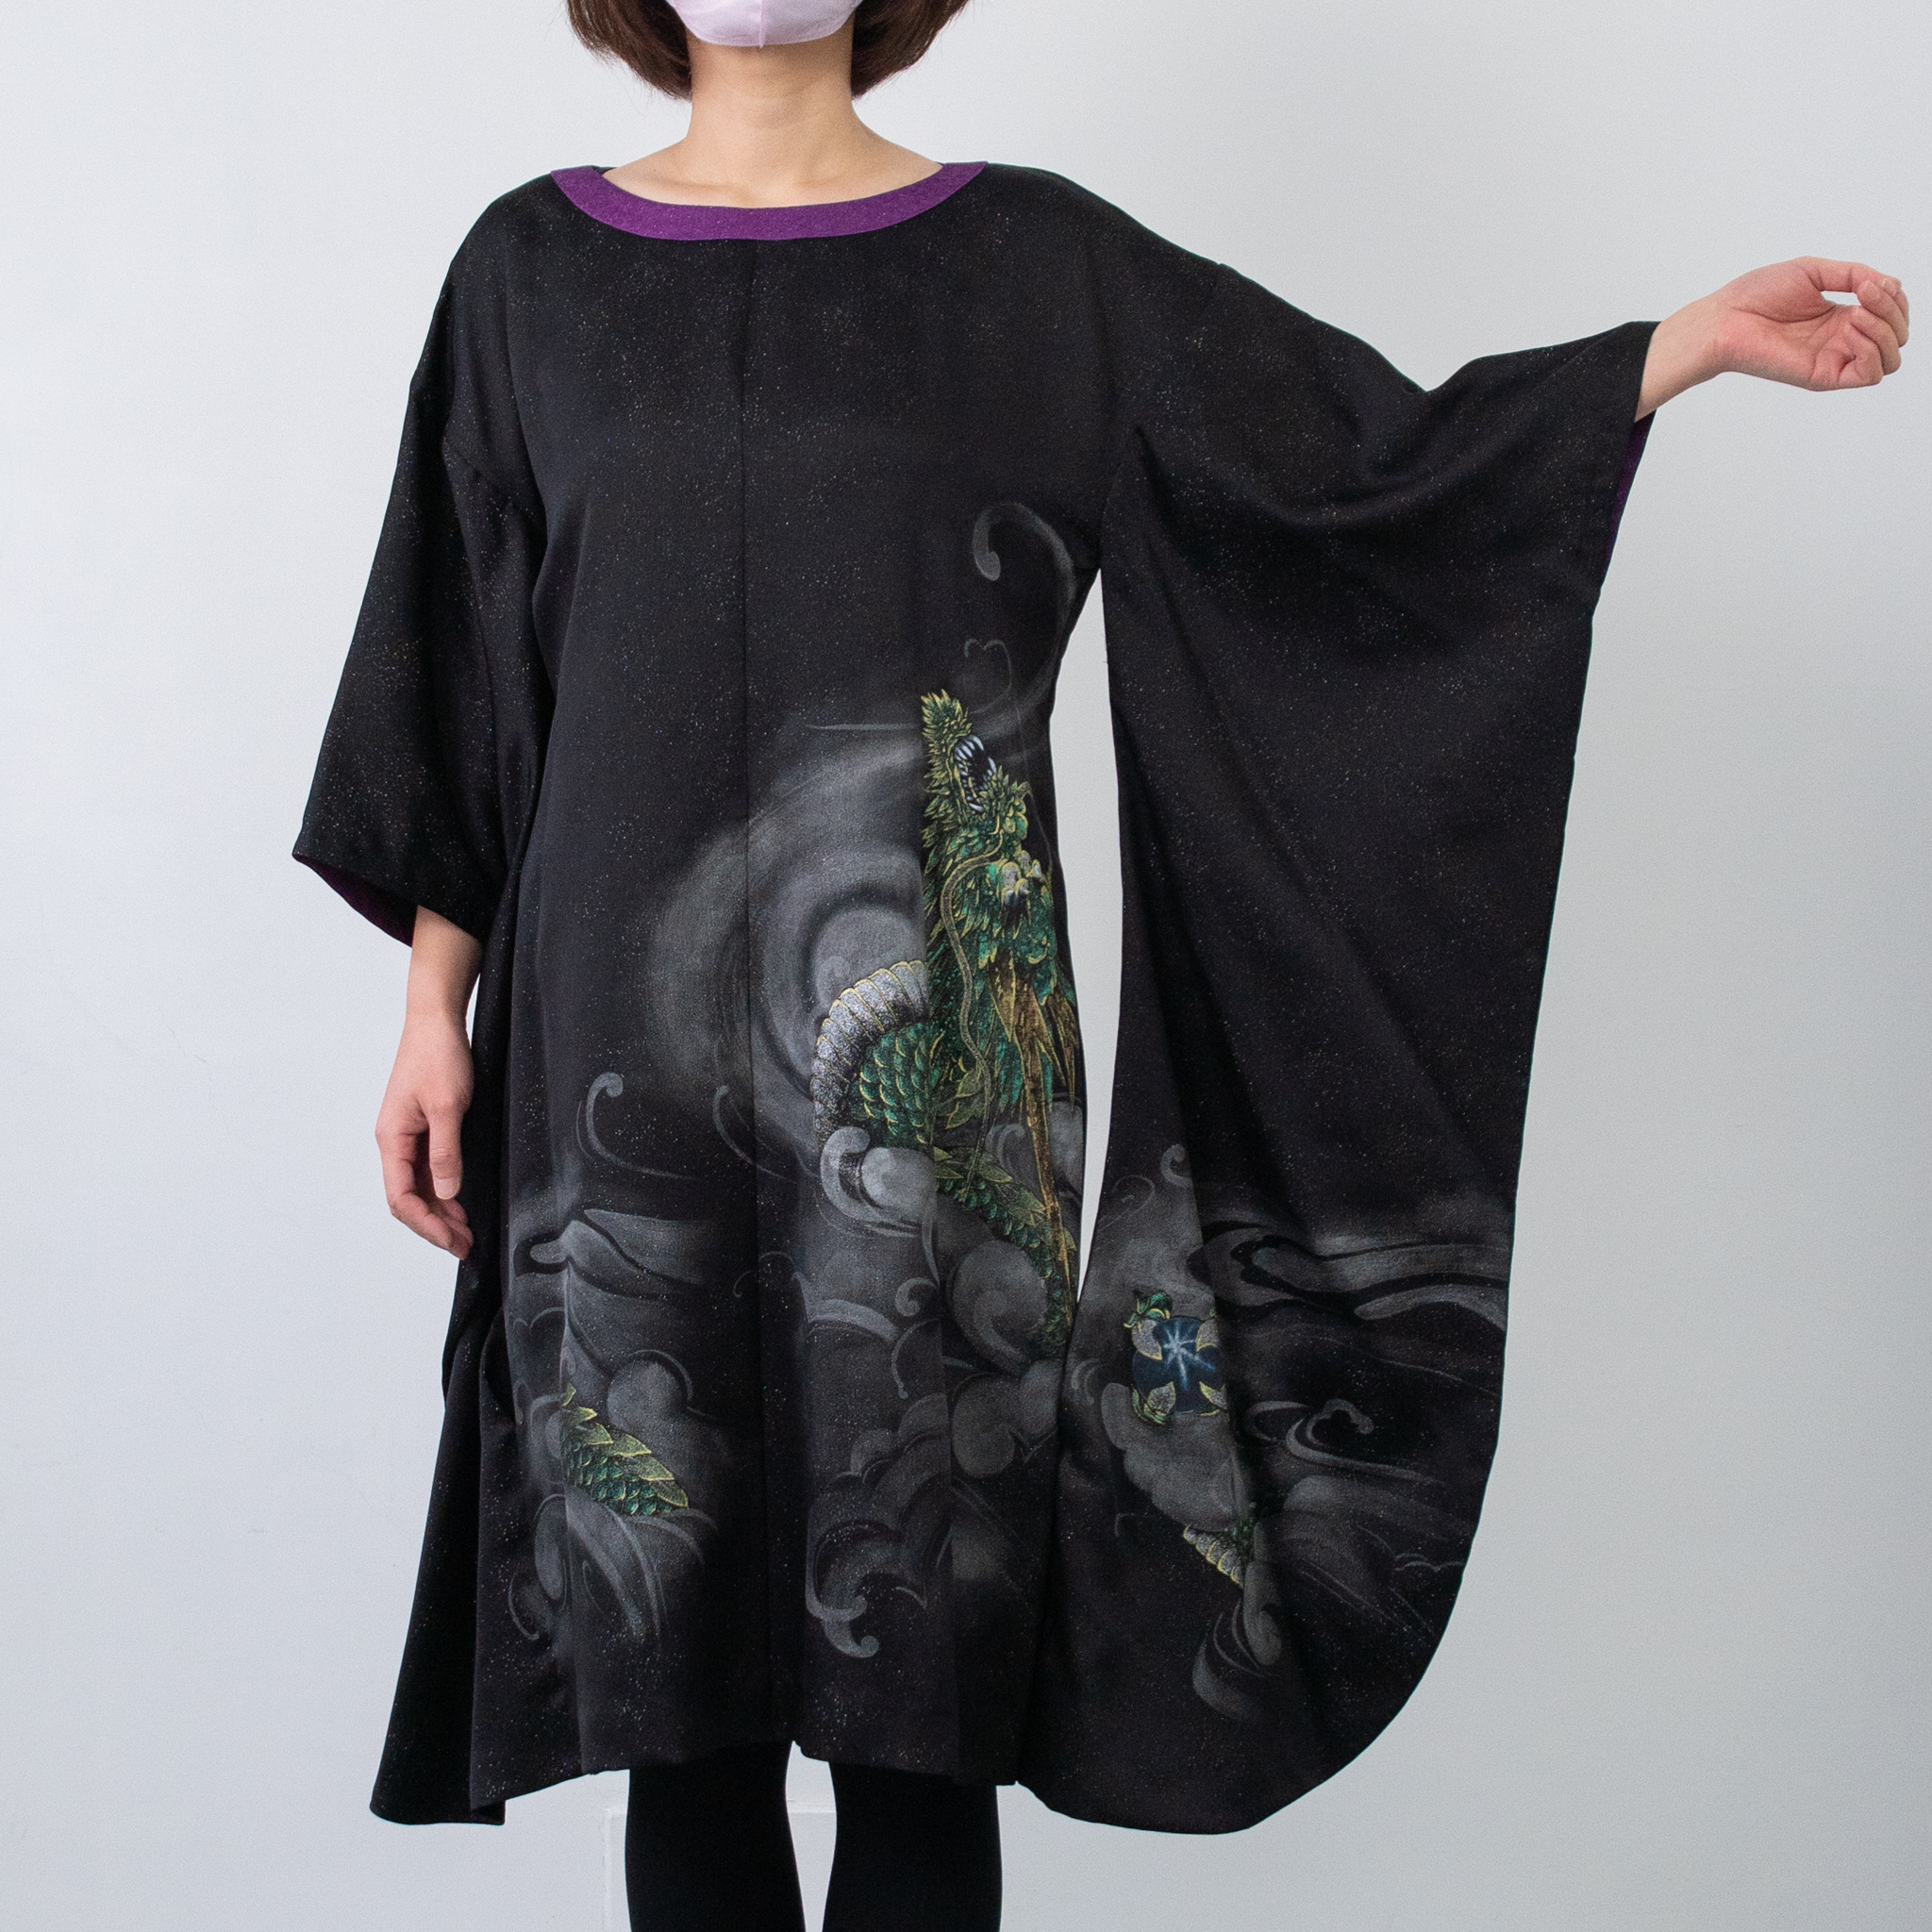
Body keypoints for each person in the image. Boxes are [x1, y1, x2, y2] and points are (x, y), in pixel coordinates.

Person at [293, 3, 1907, 1926]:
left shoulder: (1040, 269)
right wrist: (430, 1012)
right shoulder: (526, 276)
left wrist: (1663, 354)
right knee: (678, 1699)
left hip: (942, 1100)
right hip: (603, 1086)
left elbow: (1348, 479)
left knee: (917, 1703)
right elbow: (471, 671)